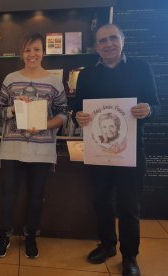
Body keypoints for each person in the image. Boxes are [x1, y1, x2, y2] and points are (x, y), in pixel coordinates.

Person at [73, 24, 159, 276]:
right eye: (102, 41)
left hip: (131, 150)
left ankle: (130, 256)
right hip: (98, 151)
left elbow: (156, 105)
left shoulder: (141, 68)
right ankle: (108, 244)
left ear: (122, 40)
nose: (108, 44)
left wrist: (149, 110)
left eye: (113, 38)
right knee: (101, 201)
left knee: (129, 206)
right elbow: (77, 108)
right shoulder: (87, 74)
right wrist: (77, 115)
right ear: (96, 46)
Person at [0, 33, 68, 258]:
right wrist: (15, 109)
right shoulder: (10, 79)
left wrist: (45, 124)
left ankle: (31, 236)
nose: (32, 54)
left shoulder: (54, 82)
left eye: (36, 49)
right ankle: (4, 234)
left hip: (42, 149)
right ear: (21, 53)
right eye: (27, 50)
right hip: (12, 149)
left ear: (42, 52)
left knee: (36, 196)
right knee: (8, 195)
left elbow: (64, 113)